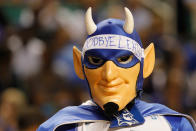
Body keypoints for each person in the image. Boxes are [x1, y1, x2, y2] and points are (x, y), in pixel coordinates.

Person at [37, 7, 196, 131]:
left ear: (147, 63)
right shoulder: (60, 127)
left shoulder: (174, 124)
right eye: (96, 60)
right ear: (79, 65)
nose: (109, 74)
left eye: (123, 59)